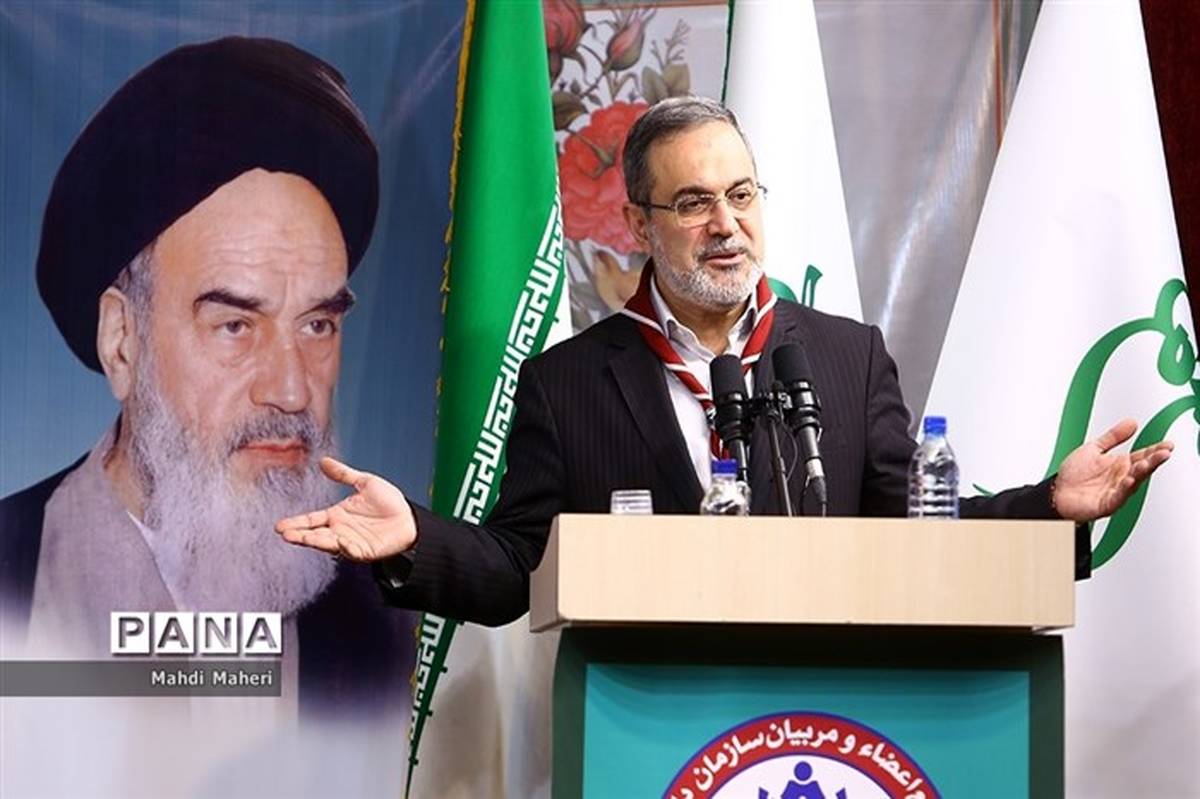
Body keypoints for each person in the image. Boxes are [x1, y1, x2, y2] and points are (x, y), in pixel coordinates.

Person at [276, 96, 1174, 627]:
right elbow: (519, 566)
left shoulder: (845, 357)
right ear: (639, 223)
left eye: (741, 195)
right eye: (694, 202)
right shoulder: (570, 384)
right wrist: (415, 536)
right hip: (658, 729)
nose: (726, 224)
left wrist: (1048, 506)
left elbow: (917, 530)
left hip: (834, 717)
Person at [0, 36, 408, 714]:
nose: (291, 390)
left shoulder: (382, 621)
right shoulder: (14, 573)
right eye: (235, 326)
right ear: (122, 342)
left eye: (317, 324)